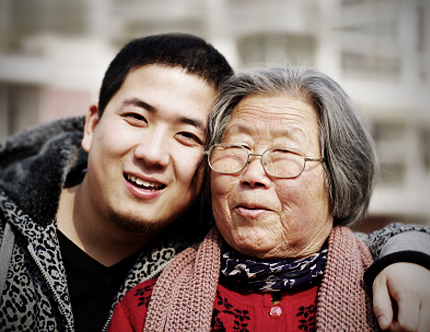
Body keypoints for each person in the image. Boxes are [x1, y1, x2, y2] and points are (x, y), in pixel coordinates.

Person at [0, 34, 429, 332]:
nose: (152, 153)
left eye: (189, 135)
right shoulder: (151, 296)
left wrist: (412, 255)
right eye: (136, 117)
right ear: (91, 124)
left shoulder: (393, 291)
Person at [107, 66, 430, 332]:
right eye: (236, 149)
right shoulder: (146, 307)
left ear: (338, 176)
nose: (253, 175)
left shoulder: (402, 291)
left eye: (284, 154)